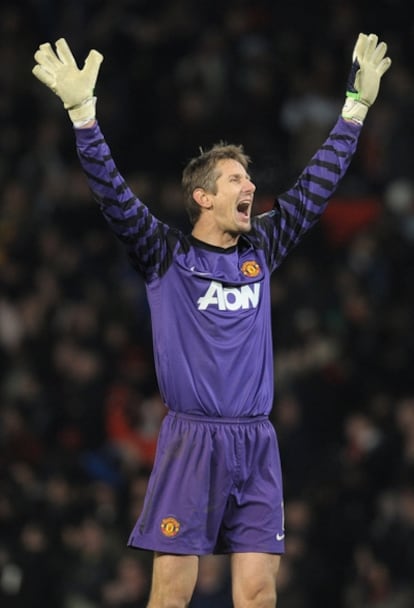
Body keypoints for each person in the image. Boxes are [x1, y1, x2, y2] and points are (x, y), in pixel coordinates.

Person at [32, 32, 391, 608]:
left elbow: (316, 187)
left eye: (249, 180)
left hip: (256, 440)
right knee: (171, 594)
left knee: (257, 594)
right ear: (202, 197)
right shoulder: (165, 254)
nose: (250, 186)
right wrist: (83, 117)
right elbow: (113, 194)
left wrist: (356, 110)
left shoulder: (263, 248)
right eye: (235, 180)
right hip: (191, 440)